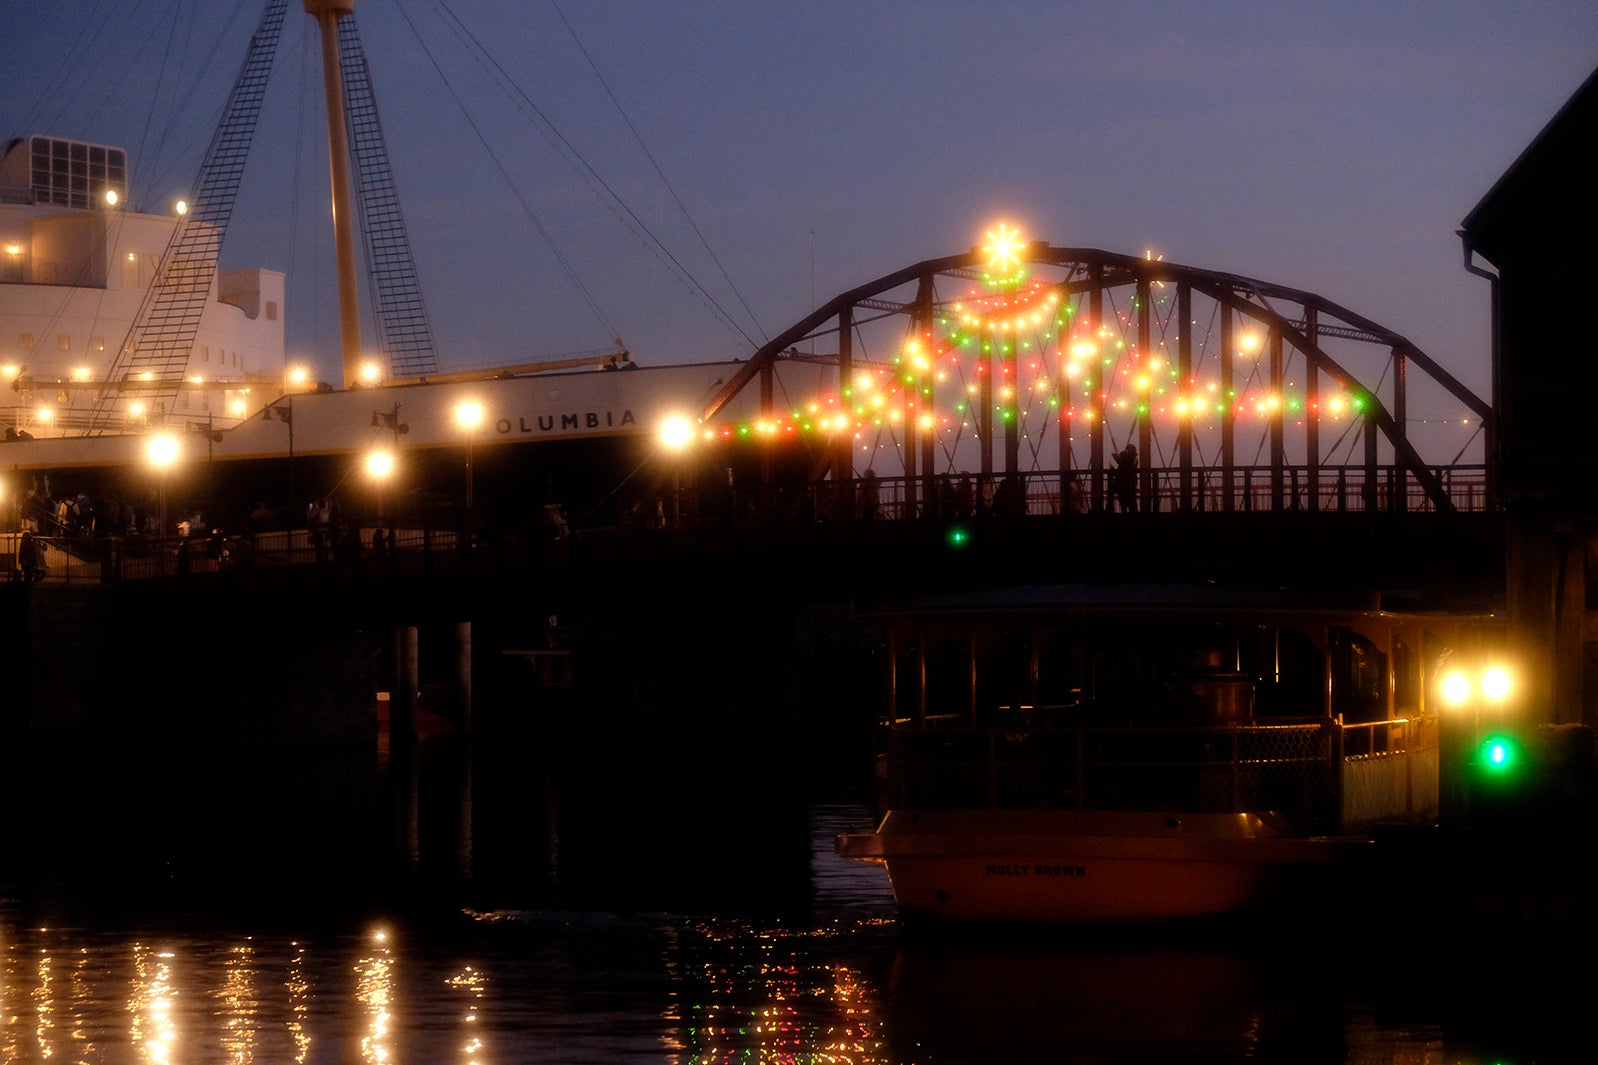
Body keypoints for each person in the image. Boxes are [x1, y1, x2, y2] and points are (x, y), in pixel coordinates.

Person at [1113, 443, 1139, 513]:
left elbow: (1124, 465)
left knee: (1124, 502)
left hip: (1122, 484)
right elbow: (1125, 465)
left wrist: (1117, 458)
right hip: (1130, 484)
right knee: (1131, 502)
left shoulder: (1124, 458)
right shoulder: (1135, 460)